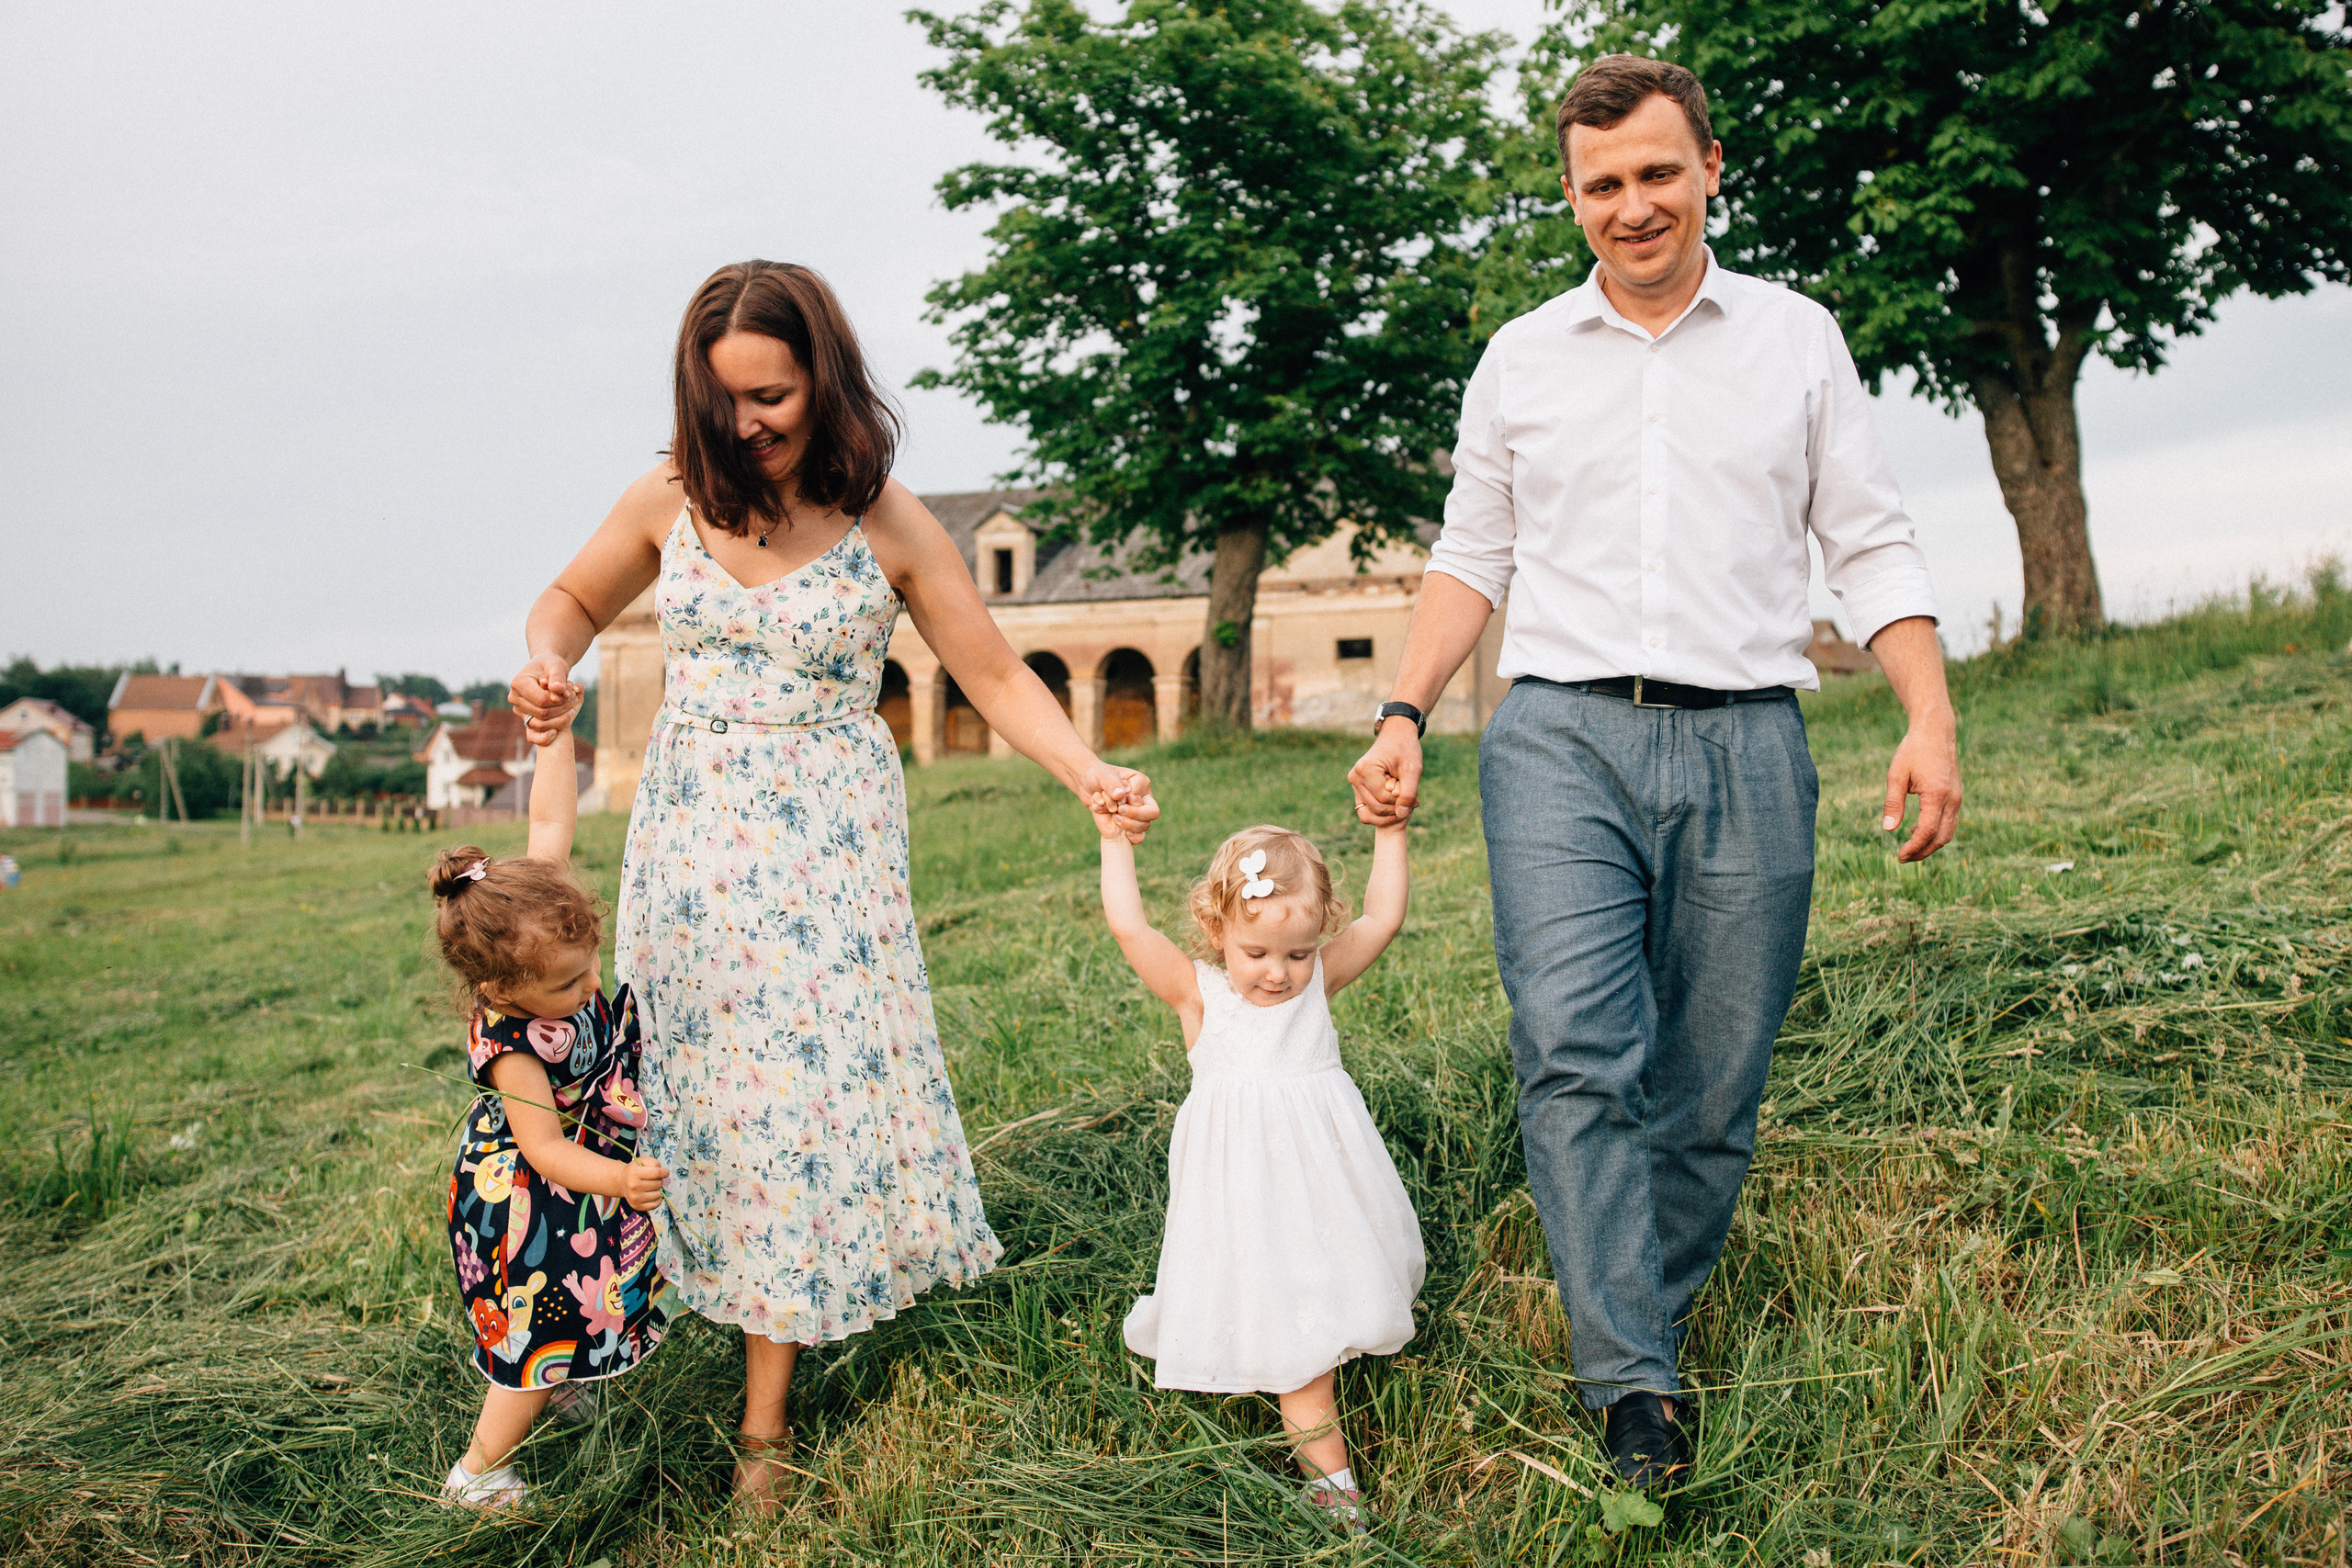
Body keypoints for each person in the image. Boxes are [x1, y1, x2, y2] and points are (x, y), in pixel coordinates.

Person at [1348, 56, 1962, 1486]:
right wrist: (1404, 708)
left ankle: (1640, 1299)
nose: (1633, 207)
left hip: (1749, 735)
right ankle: (1632, 1376)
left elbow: (1869, 540)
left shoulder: (1797, 340)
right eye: (1603, 184)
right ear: (1572, 195)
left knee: (1711, 1078)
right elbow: (1471, 551)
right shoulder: (1522, 357)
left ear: (1711, 169)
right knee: (1577, 1050)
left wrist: (1928, 715)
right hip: (1558, 737)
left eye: (1657, 174)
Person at [506, 260, 1159, 1509]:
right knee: (668, 1092)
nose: (747, 422)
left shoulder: (887, 521)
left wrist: (1087, 771)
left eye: (772, 395)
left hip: (827, 856)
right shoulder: (667, 494)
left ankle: (764, 1421)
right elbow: (568, 603)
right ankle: (604, 1330)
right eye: (724, 398)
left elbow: (995, 672)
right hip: (690, 847)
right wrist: (546, 662)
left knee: (794, 1110)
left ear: (825, 378)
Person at [1103, 822, 1423, 1531]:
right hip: (1244, 1212)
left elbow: (1382, 918)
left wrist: (1391, 832)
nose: (1278, 972)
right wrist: (1115, 840)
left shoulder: (1317, 986)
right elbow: (1130, 927)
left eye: (1298, 953)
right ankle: (1335, 1497)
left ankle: (1330, 1480)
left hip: (1323, 1202)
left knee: (1319, 1312)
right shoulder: (1199, 996)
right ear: (1217, 929)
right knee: (1292, 1347)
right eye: (1256, 952)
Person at [432, 721, 674, 1511]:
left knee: (577, 1300)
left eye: (591, 963)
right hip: (528, 1201)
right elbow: (540, 1146)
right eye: (569, 983)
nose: (591, 984)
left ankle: (565, 1383)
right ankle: (478, 1472)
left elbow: (550, 819)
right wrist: (620, 1180)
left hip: (574, 1187)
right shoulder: (512, 1046)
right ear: (502, 990)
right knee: (535, 1330)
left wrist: (556, 733)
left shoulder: (540, 925)